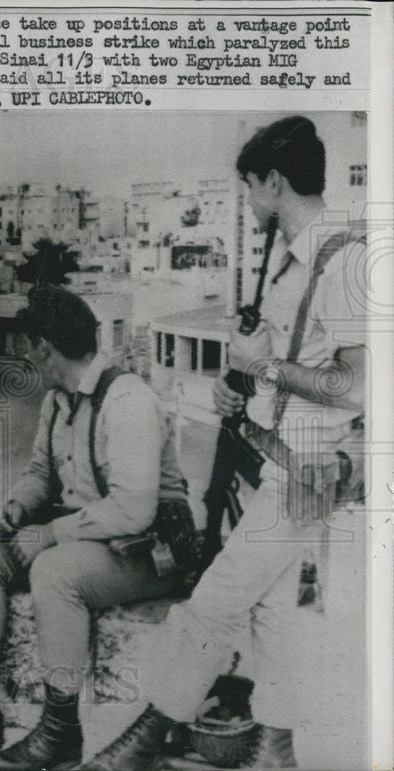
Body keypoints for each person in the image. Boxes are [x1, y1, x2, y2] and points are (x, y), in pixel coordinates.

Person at [82, 116, 367, 770]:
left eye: (249, 189)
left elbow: (356, 385)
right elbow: (289, 362)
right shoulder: (291, 264)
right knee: (270, 610)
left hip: (308, 473)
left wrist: (263, 369)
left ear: (274, 180)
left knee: (212, 602)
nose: (247, 202)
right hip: (271, 461)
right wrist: (246, 392)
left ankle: (148, 733)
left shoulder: (342, 259)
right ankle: (276, 747)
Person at [0, 285, 192, 770]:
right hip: (95, 541)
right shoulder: (58, 401)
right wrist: (18, 508)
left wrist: (50, 535)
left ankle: (60, 731)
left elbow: (134, 509)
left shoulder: (127, 401)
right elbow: (42, 472)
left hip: (151, 552)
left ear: (43, 347)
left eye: (26, 347)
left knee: (55, 572)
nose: (23, 359)